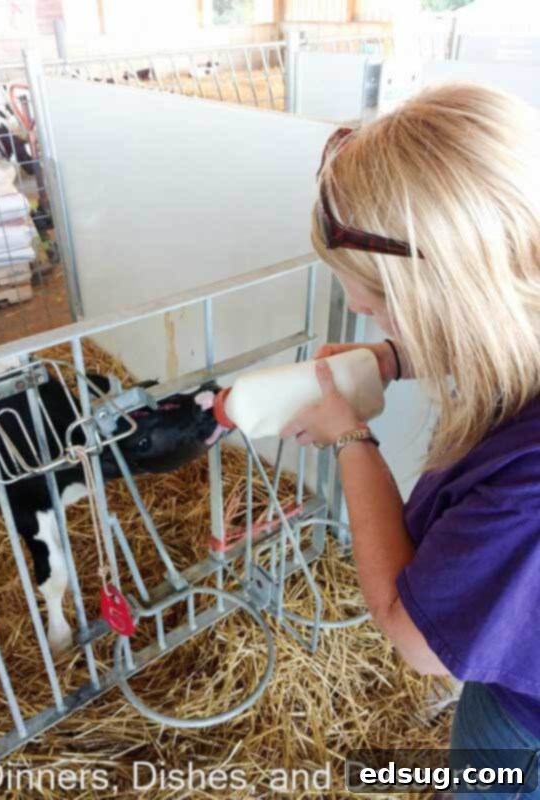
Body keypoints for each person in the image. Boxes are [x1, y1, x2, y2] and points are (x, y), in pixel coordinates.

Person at [280, 83, 540, 798]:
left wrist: (351, 441)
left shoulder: (529, 487)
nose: (360, 307)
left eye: (382, 299)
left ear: (455, 287)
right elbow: (511, 343)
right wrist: (394, 357)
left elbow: (415, 639)